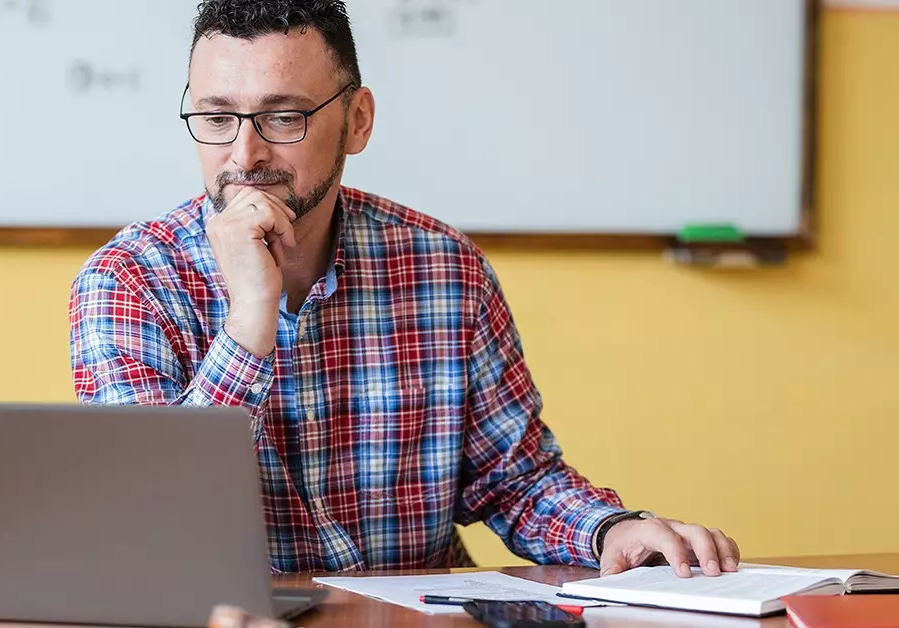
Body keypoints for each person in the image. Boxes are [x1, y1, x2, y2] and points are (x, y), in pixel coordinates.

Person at [69, 0, 739, 579]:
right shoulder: (127, 281)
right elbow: (148, 521)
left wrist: (610, 531)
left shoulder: (446, 269)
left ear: (357, 120)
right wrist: (250, 319)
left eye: (283, 118)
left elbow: (514, 480)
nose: (244, 156)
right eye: (217, 119)